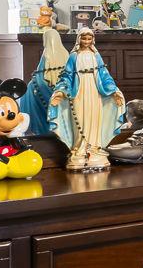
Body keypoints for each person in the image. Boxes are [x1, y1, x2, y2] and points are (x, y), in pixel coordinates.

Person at [47, 29, 125, 171]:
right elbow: (66, 76)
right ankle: (79, 149)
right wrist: (61, 91)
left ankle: (94, 148)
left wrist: (113, 91)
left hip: (95, 92)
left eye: (89, 39)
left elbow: (104, 75)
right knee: (81, 120)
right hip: (79, 91)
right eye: (84, 39)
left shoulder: (96, 56)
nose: (87, 42)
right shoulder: (74, 56)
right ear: (79, 39)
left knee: (94, 119)